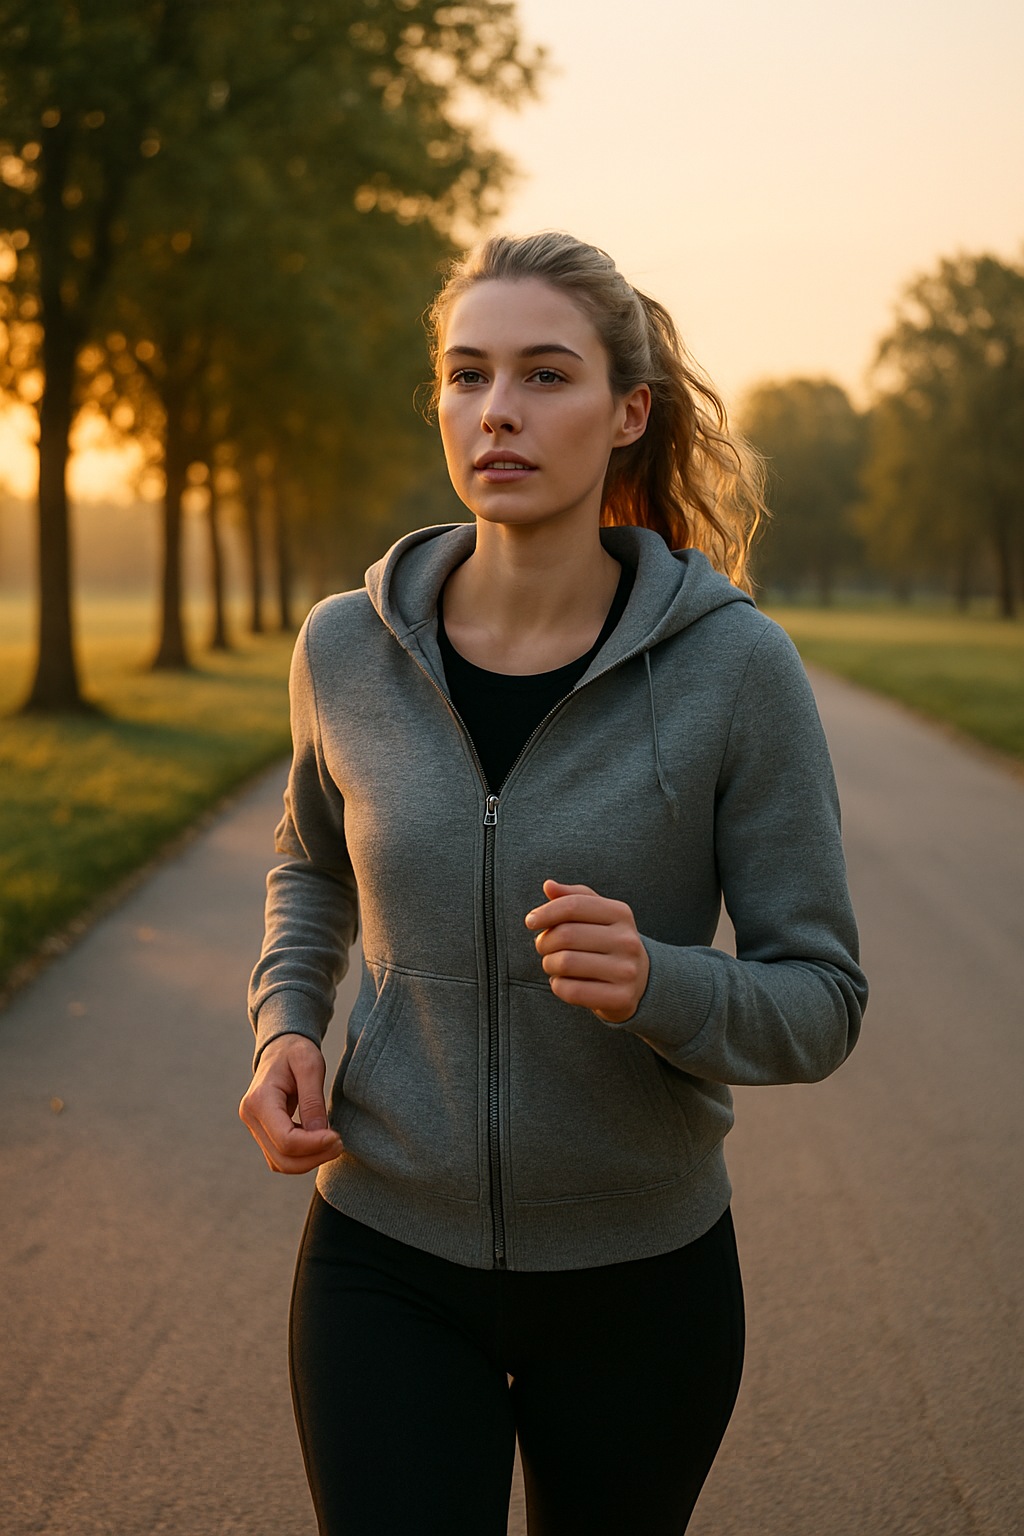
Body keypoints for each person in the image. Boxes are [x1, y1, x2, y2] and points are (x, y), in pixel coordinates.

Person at [239, 231, 867, 1536]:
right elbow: (309, 864)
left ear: (629, 412)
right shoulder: (347, 647)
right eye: (468, 376)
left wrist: (661, 983)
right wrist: (286, 1025)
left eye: (544, 374)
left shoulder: (735, 670)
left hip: (642, 1275)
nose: (499, 412)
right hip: (382, 1250)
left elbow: (822, 997)